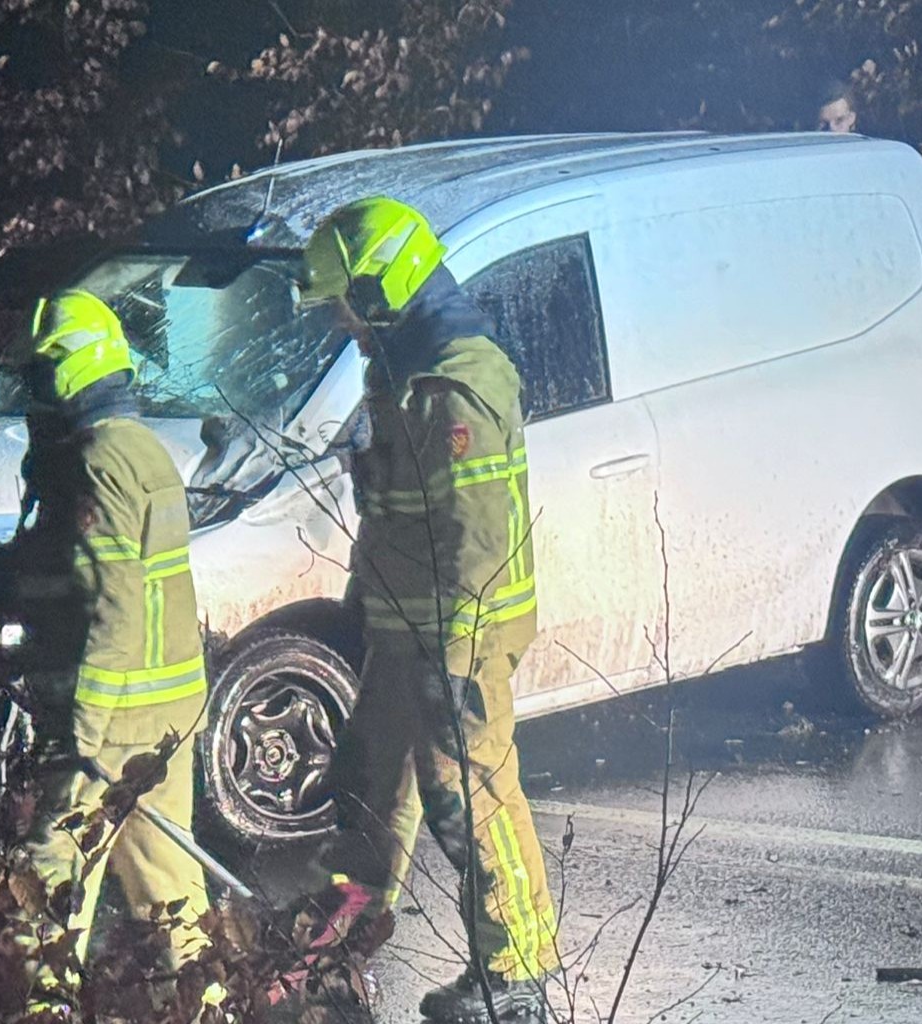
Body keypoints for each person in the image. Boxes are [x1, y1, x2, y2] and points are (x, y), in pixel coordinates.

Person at [293, 197, 559, 1024]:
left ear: (380, 291)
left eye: (346, 304)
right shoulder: (399, 373)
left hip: (462, 635)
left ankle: (516, 974)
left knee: (467, 791)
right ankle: (343, 937)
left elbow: (475, 538)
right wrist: (365, 599)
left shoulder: (458, 383)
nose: (342, 321)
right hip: (404, 624)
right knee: (369, 778)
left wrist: (458, 657)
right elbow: (396, 514)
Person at [2, 289, 213, 1014]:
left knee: (52, 873)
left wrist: (81, 731)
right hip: (165, 706)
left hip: (113, 711)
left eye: (38, 375)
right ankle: (209, 1006)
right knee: (168, 887)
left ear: (67, 371)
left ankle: (42, 1008)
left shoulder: (97, 463)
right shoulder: (139, 448)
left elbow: (115, 604)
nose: (31, 392)